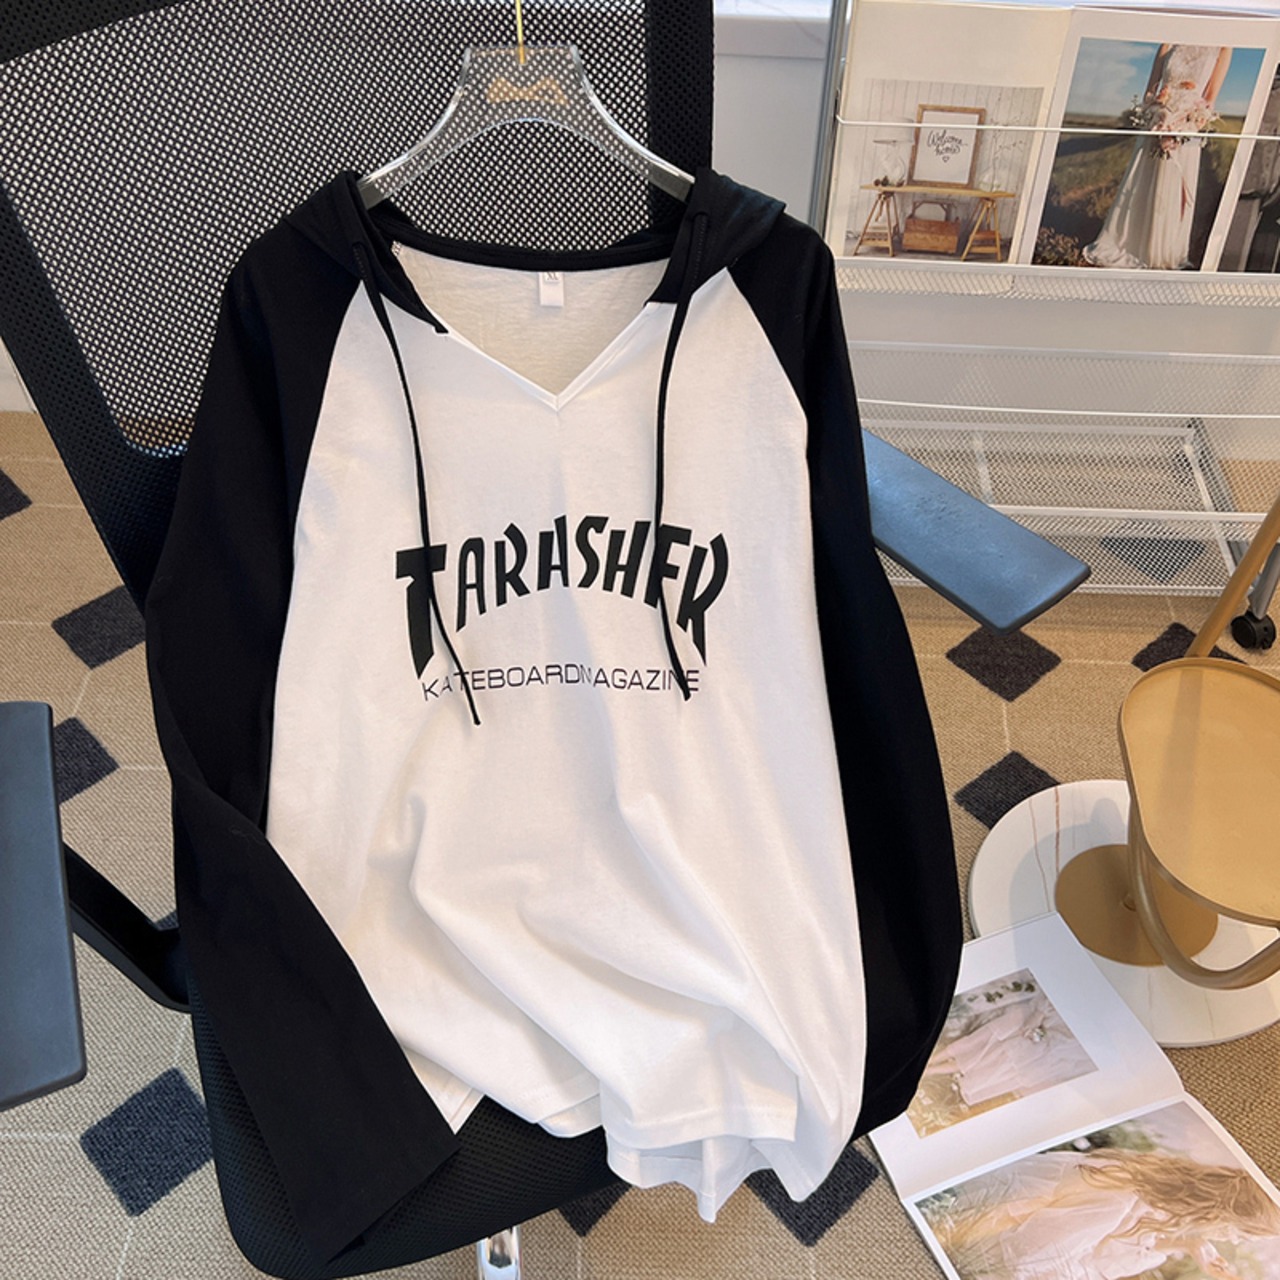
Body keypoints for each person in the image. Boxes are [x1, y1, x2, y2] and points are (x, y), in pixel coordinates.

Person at [924, 1144, 1280, 1279]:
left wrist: (1189, 1246)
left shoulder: (1159, 1196)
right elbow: (1031, 1252)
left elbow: (1112, 1247)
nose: (1233, 1240)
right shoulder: (1120, 1197)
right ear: (1225, 1212)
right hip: (986, 1245)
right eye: (1242, 1233)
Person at [1083, 44, 1233, 270]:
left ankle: (1163, 251)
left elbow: (1210, 99)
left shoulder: (1223, 47)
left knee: (1172, 187)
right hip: (1158, 122)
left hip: (1186, 126)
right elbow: (1149, 93)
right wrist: (1158, 112)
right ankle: (1133, 243)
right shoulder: (1170, 41)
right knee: (1145, 184)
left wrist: (1188, 124)